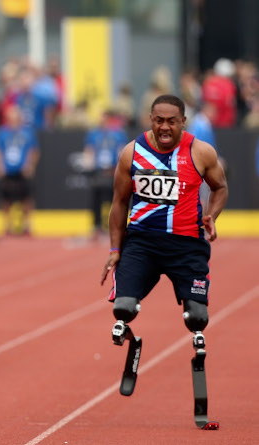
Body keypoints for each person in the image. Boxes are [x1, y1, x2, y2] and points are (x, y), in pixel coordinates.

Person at [100, 95, 227, 410]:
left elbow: (220, 186)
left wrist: (212, 214)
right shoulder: (132, 152)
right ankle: (134, 341)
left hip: (186, 245)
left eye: (172, 120)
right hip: (142, 242)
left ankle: (197, 351)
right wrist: (116, 249)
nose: (165, 126)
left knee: (197, 318)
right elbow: (118, 203)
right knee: (123, 309)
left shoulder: (201, 152)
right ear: (150, 119)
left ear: (183, 121)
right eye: (159, 120)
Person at [0, 104, 39, 236]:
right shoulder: (1, 132)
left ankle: (27, 224)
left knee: (26, 198)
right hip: (7, 170)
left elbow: (33, 150)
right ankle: (7, 224)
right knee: (5, 199)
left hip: (22, 170)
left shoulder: (27, 132)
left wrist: (30, 165)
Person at [82, 110, 128, 240]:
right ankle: (96, 226)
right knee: (95, 199)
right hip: (98, 170)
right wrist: (89, 166)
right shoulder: (93, 134)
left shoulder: (118, 134)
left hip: (112, 170)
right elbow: (89, 150)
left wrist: (119, 167)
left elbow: (122, 150)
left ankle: (111, 225)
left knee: (113, 199)